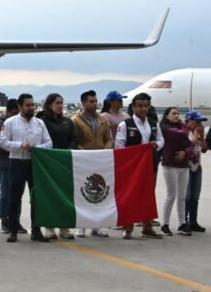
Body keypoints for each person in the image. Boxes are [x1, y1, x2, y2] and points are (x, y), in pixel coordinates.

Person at [0, 93, 53, 243]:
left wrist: (36, 148)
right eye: (28, 105)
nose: (31, 108)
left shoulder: (39, 123)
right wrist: (20, 145)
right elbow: (2, 141)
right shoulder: (10, 122)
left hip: (35, 163)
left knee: (36, 197)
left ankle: (36, 230)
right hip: (17, 162)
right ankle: (13, 230)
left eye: (32, 105)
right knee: (14, 197)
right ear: (20, 106)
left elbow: (49, 143)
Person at [115, 92, 164, 240]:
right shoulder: (125, 125)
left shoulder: (154, 124)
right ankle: (127, 227)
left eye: (146, 106)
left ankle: (147, 227)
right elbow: (119, 146)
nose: (143, 109)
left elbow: (162, 140)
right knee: (130, 195)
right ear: (133, 107)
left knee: (148, 194)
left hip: (150, 164)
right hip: (132, 167)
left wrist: (156, 144)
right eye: (140, 106)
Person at [71, 90, 112, 238]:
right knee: (83, 193)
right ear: (83, 103)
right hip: (83, 162)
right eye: (91, 101)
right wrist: (85, 154)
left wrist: (106, 148)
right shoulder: (75, 121)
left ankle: (97, 226)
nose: (95, 104)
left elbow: (109, 138)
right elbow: (75, 141)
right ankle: (81, 226)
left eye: (96, 101)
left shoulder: (103, 120)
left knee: (100, 194)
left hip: (101, 161)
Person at [38, 93, 78, 240]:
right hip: (48, 163)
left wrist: (66, 152)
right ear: (49, 105)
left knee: (65, 195)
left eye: (62, 103)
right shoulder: (42, 121)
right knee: (50, 195)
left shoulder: (68, 121)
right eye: (57, 103)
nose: (60, 105)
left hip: (65, 163)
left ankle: (64, 227)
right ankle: (49, 226)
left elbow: (74, 139)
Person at [159, 107, 195, 236]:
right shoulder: (165, 128)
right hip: (170, 165)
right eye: (173, 113)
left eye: (178, 113)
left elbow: (191, 145)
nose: (177, 115)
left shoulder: (181, 128)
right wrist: (185, 125)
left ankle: (182, 224)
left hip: (183, 166)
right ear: (167, 116)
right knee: (171, 196)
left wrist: (185, 152)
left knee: (182, 196)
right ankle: (165, 224)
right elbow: (183, 134)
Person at [0, 100, 26, 234]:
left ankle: (15, 220)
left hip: (20, 162)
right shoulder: (0, 124)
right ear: (8, 111)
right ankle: (5, 221)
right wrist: (16, 146)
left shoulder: (22, 122)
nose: (16, 115)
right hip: (5, 164)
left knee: (18, 195)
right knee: (5, 194)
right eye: (14, 112)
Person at [186, 112, 208, 232]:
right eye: (197, 121)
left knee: (195, 197)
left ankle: (193, 221)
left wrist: (202, 137)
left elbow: (204, 149)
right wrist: (196, 133)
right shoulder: (184, 132)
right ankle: (184, 221)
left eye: (200, 122)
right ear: (190, 121)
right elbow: (189, 146)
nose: (199, 124)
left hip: (197, 167)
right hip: (186, 168)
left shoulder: (198, 133)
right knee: (187, 197)